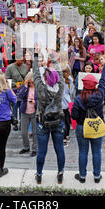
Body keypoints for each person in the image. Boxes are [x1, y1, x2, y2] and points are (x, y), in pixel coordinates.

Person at [71, 55, 105, 183]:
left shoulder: (78, 99)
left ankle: (82, 176)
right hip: (97, 125)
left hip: (82, 127)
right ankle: (97, 176)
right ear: (94, 84)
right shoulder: (100, 94)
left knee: (82, 152)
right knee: (96, 152)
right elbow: (104, 81)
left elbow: (74, 116)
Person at [33, 48, 65, 185]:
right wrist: (51, 55)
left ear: (45, 79)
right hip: (58, 121)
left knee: (42, 151)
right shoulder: (61, 86)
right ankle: (60, 172)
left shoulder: (41, 88)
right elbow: (59, 70)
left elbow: (35, 73)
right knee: (59, 149)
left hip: (43, 122)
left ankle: (39, 174)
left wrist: (36, 55)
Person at [17, 72, 38, 157]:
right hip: (25, 112)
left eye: (32, 82)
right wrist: (25, 86)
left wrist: (35, 102)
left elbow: (42, 100)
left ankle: (35, 148)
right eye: (29, 82)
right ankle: (26, 147)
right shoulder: (25, 87)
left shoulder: (38, 88)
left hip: (35, 112)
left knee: (35, 132)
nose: (31, 84)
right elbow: (20, 97)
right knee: (23, 132)